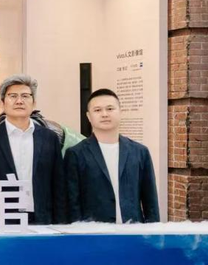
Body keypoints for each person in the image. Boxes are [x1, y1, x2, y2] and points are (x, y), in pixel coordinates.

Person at [0, 74, 67, 225]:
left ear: (34, 102)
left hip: (42, 220)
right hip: (1, 221)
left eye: (25, 96)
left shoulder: (49, 138)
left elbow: (58, 185)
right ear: (3, 103)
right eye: (13, 96)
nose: (19, 101)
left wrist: (61, 224)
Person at [65, 89, 159, 223]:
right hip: (93, 231)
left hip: (132, 230)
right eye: (97, 110)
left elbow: (150, 201)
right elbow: (72, 202)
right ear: (89, 116)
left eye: (110, 109)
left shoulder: (140, 152)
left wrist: (153, 230)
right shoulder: (76, 153)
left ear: (120, 112)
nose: (104, 114)